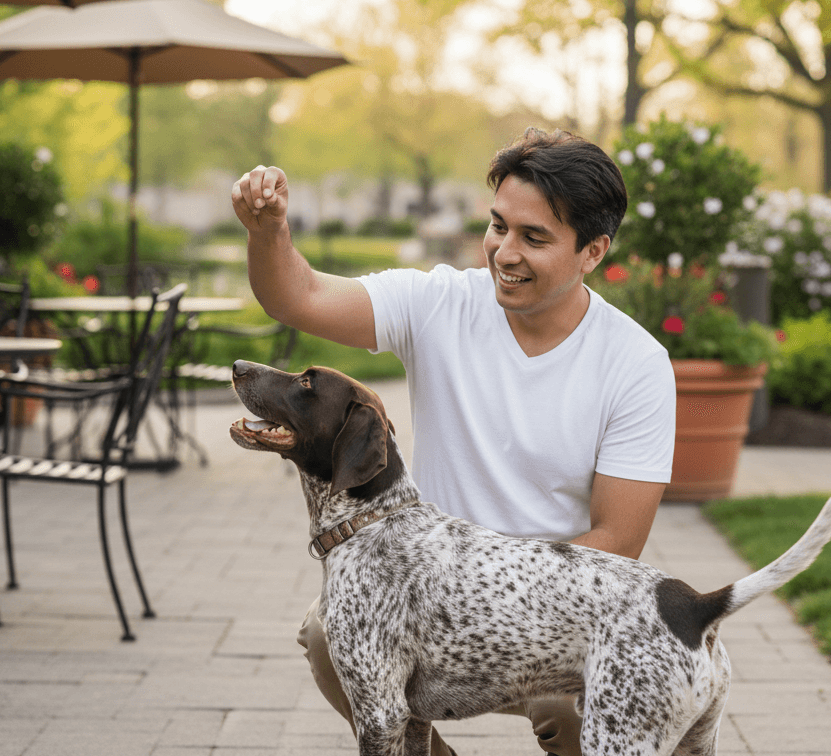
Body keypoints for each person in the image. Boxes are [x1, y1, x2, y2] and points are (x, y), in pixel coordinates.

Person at [230, 127, 676, 756]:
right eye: (499, 226)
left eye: (535, 238)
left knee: (585, 709)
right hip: (423, 607)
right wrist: (267, 232)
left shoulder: (635, 363)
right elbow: (296, 296)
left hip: (553, 618)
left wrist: (487, 610)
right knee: (329, 633)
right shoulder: (440, 303)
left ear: (593, 251)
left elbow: (618, 543)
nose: (504, 252)